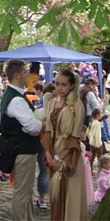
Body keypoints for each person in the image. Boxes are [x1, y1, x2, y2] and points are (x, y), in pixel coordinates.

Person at [0, 59, 45, 221]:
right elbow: (32, 127)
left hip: (23, 150)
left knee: (26, 192)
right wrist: (44, 124)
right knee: (22, 193)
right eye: (25, 72)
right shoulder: (16, 99)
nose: (28, 75)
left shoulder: (14, 95)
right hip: (22, 151)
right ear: (17, 75)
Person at [41, 69, 88, 221]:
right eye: (57, 84)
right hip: (52, 154)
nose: (59, 88)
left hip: (68, 156)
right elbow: (47, 131)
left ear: (71, 86)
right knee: (55, 198)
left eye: (63, 84)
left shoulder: (77, 106)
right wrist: (48, 153)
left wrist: (60, 157)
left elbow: (75, 137)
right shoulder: (51, 103)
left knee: (69, 197)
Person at [80, 125, 95, 205]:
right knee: (86, 183)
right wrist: (87, 156)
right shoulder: (80, 145)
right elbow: (80, 159)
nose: (85, 135)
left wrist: (86, 154)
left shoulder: (82, 144)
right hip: (83, 167)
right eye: (84, 133)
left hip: (86, 167)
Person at [87, 108, 103, 176]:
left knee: (92, 157)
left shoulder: (91, 122)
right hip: (97, 144)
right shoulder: (98, 123)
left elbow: (88, 132)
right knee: (100, 158)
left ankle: (90, 171)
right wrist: (98, 144)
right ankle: (100, 172)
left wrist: (91, 139)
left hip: (91, 143)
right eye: (100, 113)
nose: (101, 115)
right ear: (97, 115)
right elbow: (97, 135)